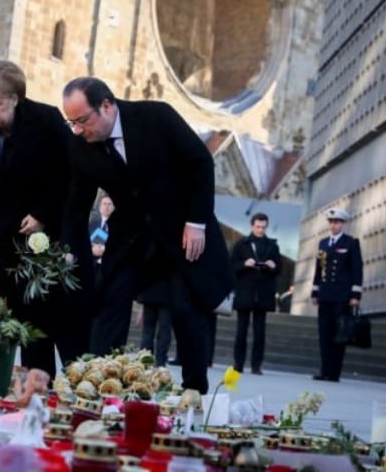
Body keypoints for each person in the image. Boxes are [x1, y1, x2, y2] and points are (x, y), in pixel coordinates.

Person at [60, 77, 232, 394]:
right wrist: (69, 248)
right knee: (110, 299)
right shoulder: (80, 145)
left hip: (179, 228)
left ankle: (194, 390)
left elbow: (199, 163)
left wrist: (196, 221)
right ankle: (97, 383)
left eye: (83, 120)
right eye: (72, 123)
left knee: (185, 306)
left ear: (107, 106)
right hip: (130, 233)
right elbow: (76, 204)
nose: (79, 130)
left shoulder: (155, 117)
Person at [0, 60, 91, 378]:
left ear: (15, 99)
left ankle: (38, 386)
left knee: (36, 317)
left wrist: (44, 214)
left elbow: (73, 173)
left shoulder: (46, 120)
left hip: (43, 235)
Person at [311, 208, 363, 383]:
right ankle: (324, 370)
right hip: (325, 295)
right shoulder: (323, 243)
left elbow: (357, 269)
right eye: (331, 222)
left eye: (337, 222)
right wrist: (315, 291)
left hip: (342, 296)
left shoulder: (351, 243)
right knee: (324, 333)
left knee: (338, 334)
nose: (334, 225)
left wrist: (355, 295)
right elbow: (319, 269)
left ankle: (334, 373)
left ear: (343, 224)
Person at [230, 212, 280, 375]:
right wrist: (244, 264)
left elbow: (278, 269)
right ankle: (238, 364)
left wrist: (273, 266)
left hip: (263, 294)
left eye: (263, 227)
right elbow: (231, 267)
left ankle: (256, 365)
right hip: (245, 292)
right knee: (241, 332)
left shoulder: (272, 245)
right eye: (258, 227)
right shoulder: (241, 244)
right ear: (252, 226)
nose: (260, 230)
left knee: (260, 333)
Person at [88, 194, 114, 269]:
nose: (107, 207)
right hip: (90, 263)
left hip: (107, 265)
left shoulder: (118, 228)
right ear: (99, 207)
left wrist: (103, 249)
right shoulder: (91, 224)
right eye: (104, 204)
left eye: (109, 204)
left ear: (113, 207)